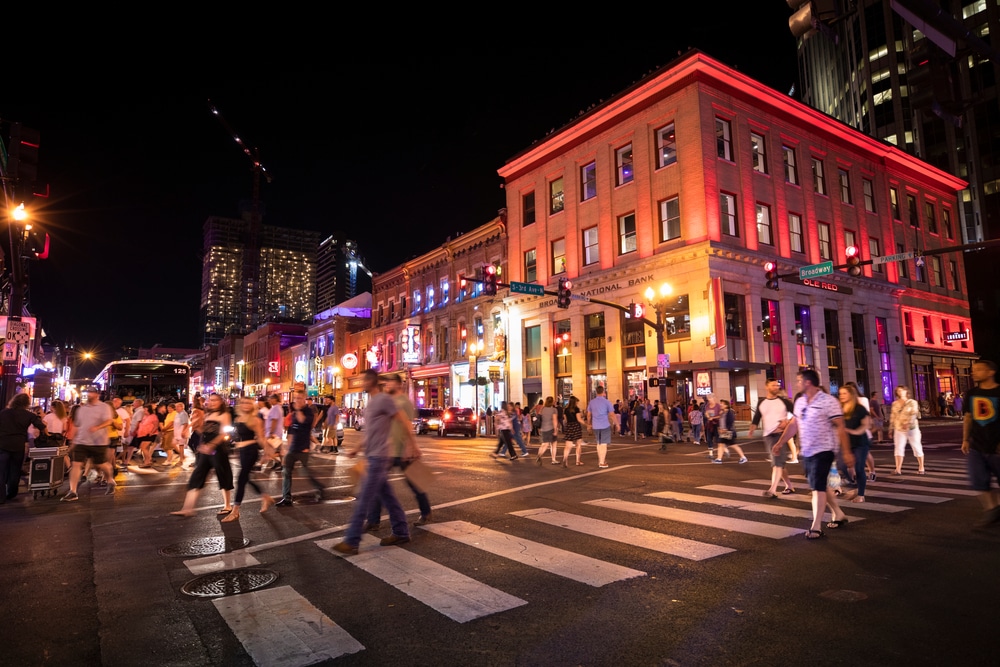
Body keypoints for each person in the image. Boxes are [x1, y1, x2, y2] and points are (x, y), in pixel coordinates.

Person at [333, 369, 417, 554]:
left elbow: (403, 420)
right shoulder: (372, 403)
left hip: (380, 457)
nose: (361, 383)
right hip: (372, 456)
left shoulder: (384, 399)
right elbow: (371, 432)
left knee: (364, 498)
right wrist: (357, 448)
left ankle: (352, 541)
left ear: (371, 381)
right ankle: (401, 531)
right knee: (388, 497)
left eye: (363, 380)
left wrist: (412, 446)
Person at [771, 369, 853, 539]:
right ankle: (838, 514)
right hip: (807, 451)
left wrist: (846, 452)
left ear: (808, 382)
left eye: (799, 380)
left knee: (817, 488)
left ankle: (816, 526)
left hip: (824, 450)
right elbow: (794, 424)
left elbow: (840, 426)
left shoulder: (828, 401)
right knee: (820, 485)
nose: (797, 383)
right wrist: (780, 442)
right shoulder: (800, 402)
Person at [364, 374, 431, 528]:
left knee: (414, 484)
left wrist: (410, 446)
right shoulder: (389, 401)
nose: (387, 385)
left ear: (398, 384)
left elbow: (407, 424)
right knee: (378, 484)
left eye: (390, 382)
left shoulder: (404, 402)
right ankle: (373, 520)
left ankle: (426, 512)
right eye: (386, 383)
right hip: (388, 450)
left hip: (402, 450)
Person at [171, 393, 234, 517]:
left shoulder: (224, 415)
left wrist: (211, 445)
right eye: (211, 400)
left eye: (215, 400)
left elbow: (222, 434)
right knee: (197, 476)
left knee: (223, 476)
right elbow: (204, 431)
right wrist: (192, 428)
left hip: (218, 450)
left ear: (221, 402)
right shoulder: (207, 414)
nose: (212, 402)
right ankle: (187, 508)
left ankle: (227, 505)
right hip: (205, 449)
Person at [221, 398, 275, 522]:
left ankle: (235, 511)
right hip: (242, 452)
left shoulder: (255, 419)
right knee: (247, 479)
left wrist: (267, 450)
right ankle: (265, 497)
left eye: (248, 403)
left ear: (252, 406)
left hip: (251, 451)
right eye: (243, 403)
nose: (245, 405)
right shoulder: (238, 418)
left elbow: (261, 438)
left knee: (241, 480)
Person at [960, 360, 1000, 527]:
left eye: (978, 370)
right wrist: (965, 439)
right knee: (978, 480)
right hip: (977, 445)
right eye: (973, 370)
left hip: (997, 446)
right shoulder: (971, 393)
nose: (973, 372)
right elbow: (968, 417)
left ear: (990, 372)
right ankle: (992, 510)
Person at [61, 386, 116, 501]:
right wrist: (73, 441)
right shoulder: (82, 409)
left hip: (98, 442)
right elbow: (77, 425)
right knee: (76, 465)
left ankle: (110, 480)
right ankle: (73, 491)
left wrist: (98, 427)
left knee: (101, 464)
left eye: (91, 393)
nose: (89, 395)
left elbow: (109, 421)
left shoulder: (104, 407)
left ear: (97, 394)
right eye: (88, 392)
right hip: (82, 441)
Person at [274, 390, 326, 506]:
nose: (297, 400)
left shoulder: (308, 412)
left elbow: (303, 421)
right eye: (296, 398)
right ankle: (286, 498)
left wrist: (297, 410)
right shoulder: (294, 414)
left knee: (306, 472)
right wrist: (287, 448)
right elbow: (292, 431)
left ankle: (319, 488)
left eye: (299, 398)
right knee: (286, 472)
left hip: (303, 448)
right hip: (293, 448)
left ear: (304, 399)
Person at [751, 379, 797, 498]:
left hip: (780, 434)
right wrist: (752, 429)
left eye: (777, 385)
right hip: (767, 436)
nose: (776, 387)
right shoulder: (762, 402)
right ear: (767, 387)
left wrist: (787, 421)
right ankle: (789, 485)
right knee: (780, 463)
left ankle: (772, 490)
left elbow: (797, 414)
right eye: (773, 385)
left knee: (777, 462)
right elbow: (757, 417)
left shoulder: (784, 401)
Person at [0, 393, 47, 504]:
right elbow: (42, 426)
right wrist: (47, 434)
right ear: (26, 403)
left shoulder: (3, 413)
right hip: (18, 446)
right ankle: (11, 492)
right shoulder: (28, 415)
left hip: (3, 445)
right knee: (15, 470)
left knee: (1, 471)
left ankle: (0, 497)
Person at [837, 384, 872, 504]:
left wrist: (854, 431)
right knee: (841, 464)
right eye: (840, 393)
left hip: (860, 442)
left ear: (851, 395)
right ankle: (852, 483)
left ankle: (861, 494)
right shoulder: (839, 408)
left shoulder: (859, 408)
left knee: (859, 467)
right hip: (845, 442)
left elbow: (866, 424)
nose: (841, 396)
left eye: (844, 393)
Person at [889, 385, 925, 475]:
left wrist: (908, 423)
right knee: (898, 448)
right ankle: (898, 469)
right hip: (899, 428)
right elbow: (893, 416)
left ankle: (921, 466)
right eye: (898, 391)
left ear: (906, 392)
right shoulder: (895, 403)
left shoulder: (912, 402)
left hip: (912, 428)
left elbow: (914, 413)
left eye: (902, 390)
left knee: (916, 447)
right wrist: (890, 428)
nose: (900, 392)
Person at [586, 385, 616, 468]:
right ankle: (602, 462)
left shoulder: (591, 402)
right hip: (604, 425)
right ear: (603, 392)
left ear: (596, 392)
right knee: (603, 444)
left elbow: (588, 415)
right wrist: (617, 424)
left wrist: (589, 424)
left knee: (599, 443)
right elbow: (612, 414)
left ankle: (601, 460)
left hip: (595, 425)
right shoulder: (607, 402)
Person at [561, 395, 586, 466]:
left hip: (569, 426)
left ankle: (565, 459)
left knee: (568, 445)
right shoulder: (576, 409)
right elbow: (579, 419)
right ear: (575, 402)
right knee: (578, 444)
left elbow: (565, 420)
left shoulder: (566, 409)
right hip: (576, 426)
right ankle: (578, 461)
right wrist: (587, 425)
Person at [134, 404, 160, 468]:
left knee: (143, 447)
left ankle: (147, 461)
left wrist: (151, 432)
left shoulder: (153, 416)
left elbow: (156, 425)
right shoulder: (145, 416)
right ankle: (147, 461)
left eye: (145, 409)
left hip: (149, 434)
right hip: (143, 434)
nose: (144, 410)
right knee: (145, 448)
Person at [535, 397, 560, 464]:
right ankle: (553, 459)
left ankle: (539, 455)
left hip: (543, 428)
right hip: (550, 428)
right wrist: (555, 430)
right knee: (553, 444)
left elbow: (539, 418)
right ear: (552, 402)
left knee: (544, 444)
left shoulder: (542, 409)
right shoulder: (554, 410)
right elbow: (555, 420)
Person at [704, 394, 724, 459]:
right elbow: (706, 412)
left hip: (717, 424)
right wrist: (707, 415)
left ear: (714, 398)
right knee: (709, 438)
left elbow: (721, 415)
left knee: (718, 439)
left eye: (710, 398)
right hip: (710, 424)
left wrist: (713, 418)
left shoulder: (718, 406)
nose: (709, 400)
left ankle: (724, 450)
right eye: (708, 399)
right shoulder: (707, 406)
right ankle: (710, 453)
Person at [172, 402, 190, 467]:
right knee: (174, 444)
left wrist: (183, 432)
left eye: (177, 407)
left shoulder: (183, 414)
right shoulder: (177, 414)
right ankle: (182, 456)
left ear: (182, 407)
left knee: (181, 446)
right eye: (176, 407)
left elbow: (185, 423)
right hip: (177, 432)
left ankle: (181, 459)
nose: (176, 408)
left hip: (181, 432)